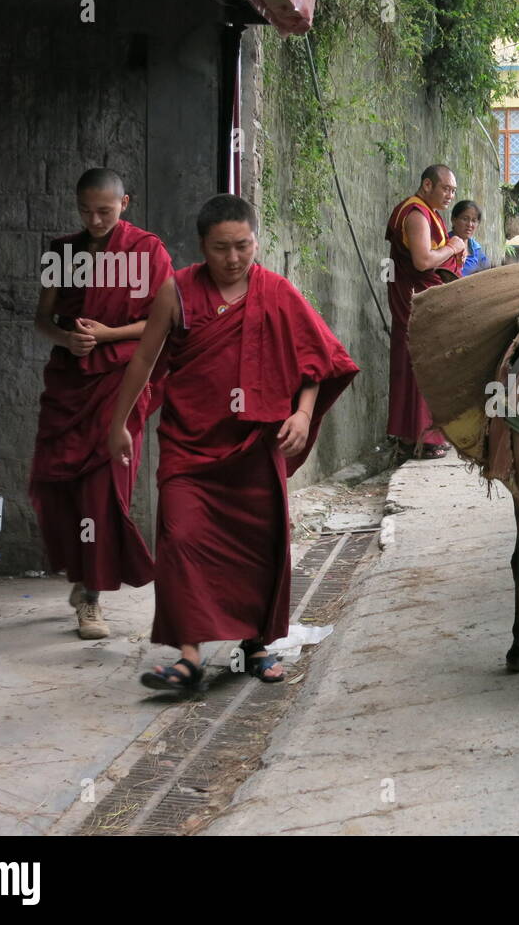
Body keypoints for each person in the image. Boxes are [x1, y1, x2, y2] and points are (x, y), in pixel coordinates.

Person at [107, 195, 359, 691]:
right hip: (189, 443)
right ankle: (187, 656)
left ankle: (256, 645)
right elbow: (144, 360)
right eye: (221, 248)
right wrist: (120, 423)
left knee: (260, 547)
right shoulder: (176, 292)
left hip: (252, 446)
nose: (233, 258)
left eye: (243, 246)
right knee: (180, 540)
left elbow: (318, 361)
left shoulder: (277, 292)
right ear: (202, 246)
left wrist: (304, 414)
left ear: (256, 241)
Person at [30, 167, 174, 640]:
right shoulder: (64, 252)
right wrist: (67, 340)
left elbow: (164, 321)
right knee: (58, 489)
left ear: (125, 204)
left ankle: (92, 598)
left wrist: (109, 334)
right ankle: (80, 573)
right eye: (86, 211)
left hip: (118, 384)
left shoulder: (146, 250)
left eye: (105, 211)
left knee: (103, 490)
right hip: (71, 384)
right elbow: (43, 319)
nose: (95, 220)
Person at [384, 165, 466, 461]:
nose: (450, 195)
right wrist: (454, 245)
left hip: (426, 300)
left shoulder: (430, 213)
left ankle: (415, 436)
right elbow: (422, 261)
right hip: (416, 301)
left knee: (419, 365)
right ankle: (423, 438)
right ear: (427, 184)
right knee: (420, 364)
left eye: (453, 191)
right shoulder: (416, 214)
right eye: (446, 189)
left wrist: (454, 250)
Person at [451, 200, 489, 275]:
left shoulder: (476, 249)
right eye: (465, 219)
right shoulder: (444, 243)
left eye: (474, 221)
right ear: (453, 220)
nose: (469, 225)